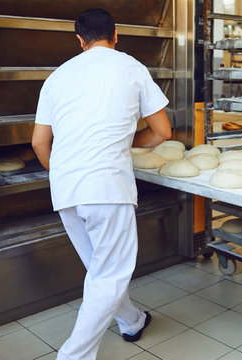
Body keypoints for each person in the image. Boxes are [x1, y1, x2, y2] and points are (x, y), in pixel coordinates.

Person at [31, 8, 171, 360]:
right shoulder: (131, 68)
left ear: (79, 40)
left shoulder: (58, 76)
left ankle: (131, 321)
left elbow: (39, 143)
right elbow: (163, 132)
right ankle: (73, 355)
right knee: (108, 275)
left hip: (66, 189)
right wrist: (127, 145)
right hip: (107, 187)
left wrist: (62, 172)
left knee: (101, 269)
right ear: (116, 34)